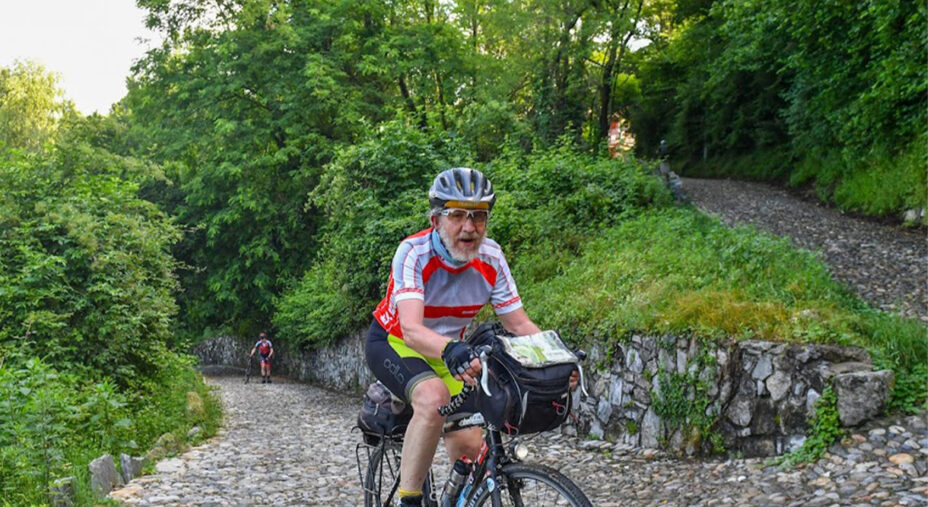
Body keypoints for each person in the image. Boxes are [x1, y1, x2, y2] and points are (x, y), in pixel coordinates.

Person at [365, 167, 555, 506]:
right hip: (396, 342)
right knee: (433, 398)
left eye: (479, 217)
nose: (469, 227)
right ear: (436, 219)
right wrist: (452, 348)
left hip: (452, 353)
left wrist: (554, 357)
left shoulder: (492, 258)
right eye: (457, 215)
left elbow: (519, 325)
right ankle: (408, 500)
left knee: (470, 440)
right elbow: (411, 328)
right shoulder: (413, 252)